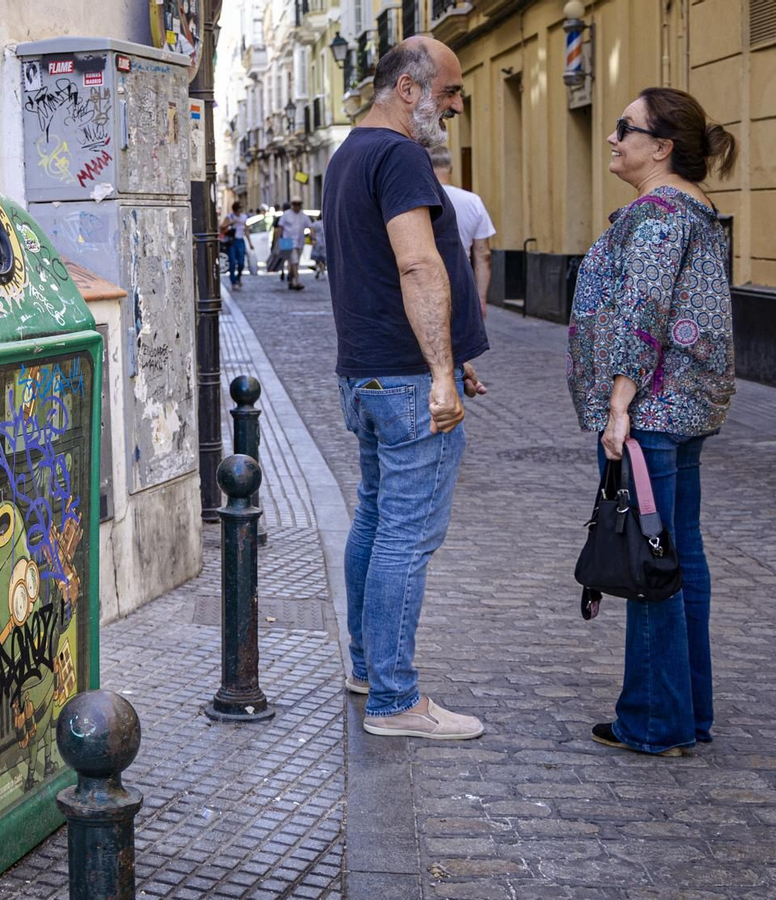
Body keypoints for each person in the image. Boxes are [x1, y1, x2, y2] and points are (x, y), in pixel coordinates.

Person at [322, 36, 489, 740]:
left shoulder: (347, 155)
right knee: (406, 538)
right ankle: (396, 700)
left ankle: (367, 668)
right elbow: (419, 268)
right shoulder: (398, 155)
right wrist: (442, 373)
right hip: (406, 380)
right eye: (448, 92)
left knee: (374, 523)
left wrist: (455, 352)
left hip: (365, 374)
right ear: (410, 90)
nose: (455, 104)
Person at [567, 87, 736, 757]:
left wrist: (618, 405)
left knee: (652, 566)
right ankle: (685, 712)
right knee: (679, 558)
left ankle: (654, 721)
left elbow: (643, 312)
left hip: (654, 408)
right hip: (683, 406)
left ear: (661, 147)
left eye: (623, 128)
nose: (613, 139)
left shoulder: (660, 213)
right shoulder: (694, 209)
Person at [429, 146, 495, 317]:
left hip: (427, 279)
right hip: (461, 279)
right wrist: (481, 299)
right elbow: (483, 255)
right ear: (451, 168)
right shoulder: (473, 202)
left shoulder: (420, 200)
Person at [274, 199, 312, 289]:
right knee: (294, 262)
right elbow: (280, 228)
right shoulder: (286, 214)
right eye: (295, 204)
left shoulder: (303, 216)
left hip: (300, 242)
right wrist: (277, 241)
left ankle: (291, 280)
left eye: (298, 204)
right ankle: (297, 282)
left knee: (294, 262)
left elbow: (310, 227)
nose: (296, 206)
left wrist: (312, 237)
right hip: (288, 242)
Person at [221, 201, 248, 287]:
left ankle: (238, 276)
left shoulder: (244, 217)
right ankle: (233, 282)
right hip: (232, 241)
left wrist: (250, 242)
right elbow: (221, 227)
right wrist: (231, 222)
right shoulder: (230, 217)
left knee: (241, 262)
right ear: (236, 209)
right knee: (232, 262)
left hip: (240, 241)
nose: (241, 210)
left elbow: (246, 230)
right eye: (239, 208)